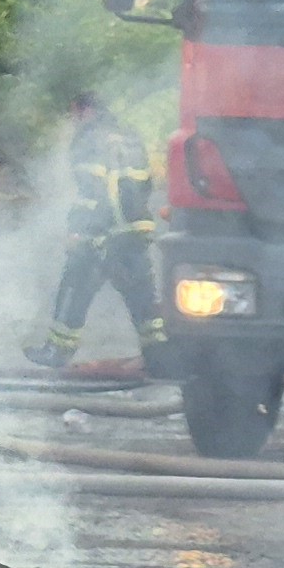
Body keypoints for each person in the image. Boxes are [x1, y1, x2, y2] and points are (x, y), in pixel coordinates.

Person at [29, 91, 164, 370]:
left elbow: (92, 190)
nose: (74, 120)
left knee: (75, 286)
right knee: (142, 297)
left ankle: (57, 352)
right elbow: (145, 184)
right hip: (135, 229)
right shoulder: (129, 136)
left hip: (102, 232)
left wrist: (78, 229)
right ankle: (161, 357)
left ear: (85, 111)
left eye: (75, 113)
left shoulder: (89, 138)